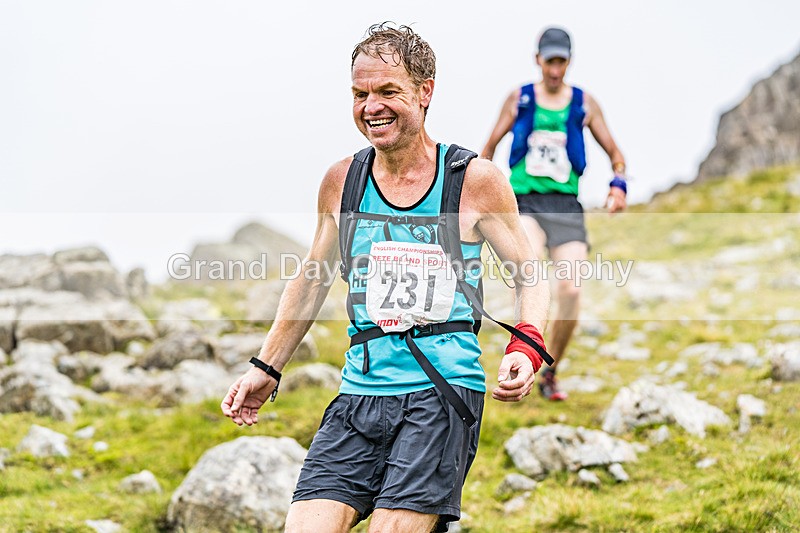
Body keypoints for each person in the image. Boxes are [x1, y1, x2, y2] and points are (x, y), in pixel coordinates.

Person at [222, 23, 550, 533]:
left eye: (387, 91)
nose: (370, 106)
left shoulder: (474, 181)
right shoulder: (341, 182)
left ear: (425, 91)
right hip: (359, 394)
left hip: (442, 394)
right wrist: (267, 366)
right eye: (359, 94)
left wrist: (525, 347)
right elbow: (312, 279)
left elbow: (529, 274)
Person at [481, 26, 628, 401]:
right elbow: (489, 150)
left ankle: (550, 370)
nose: (555, 69)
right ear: (538, 60)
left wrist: (618, 185)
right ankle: (522, 356)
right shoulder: (520, 99)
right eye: (550, 61)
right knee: (529, 275)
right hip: (524, 201)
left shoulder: (584, 103)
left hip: (565, 207)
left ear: (569, 61)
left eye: (562, 61)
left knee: (571, 290)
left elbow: (616, 156)